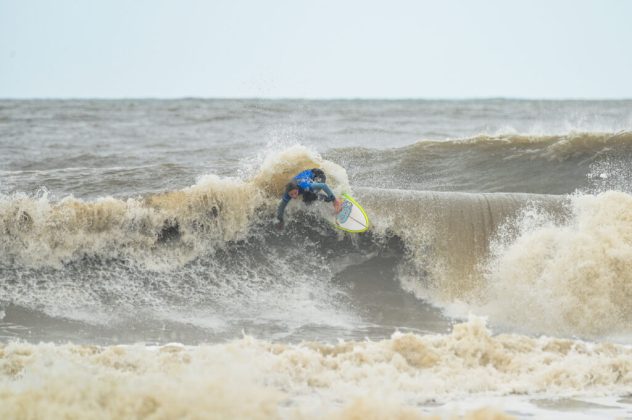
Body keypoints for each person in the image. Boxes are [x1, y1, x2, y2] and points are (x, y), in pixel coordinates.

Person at [276, 168, 341, 229]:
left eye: (295, 193)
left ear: (297, 189)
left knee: (312, 195)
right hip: (307, 177)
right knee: (306, 201)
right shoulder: (287, 193)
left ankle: (335, 201)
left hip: (318, 174)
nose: (294, 196)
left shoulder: (304, 185)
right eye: (291, 194)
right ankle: (329, 201)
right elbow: (281, 207)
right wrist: (280, 220)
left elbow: (323, 185)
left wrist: (334, 200)